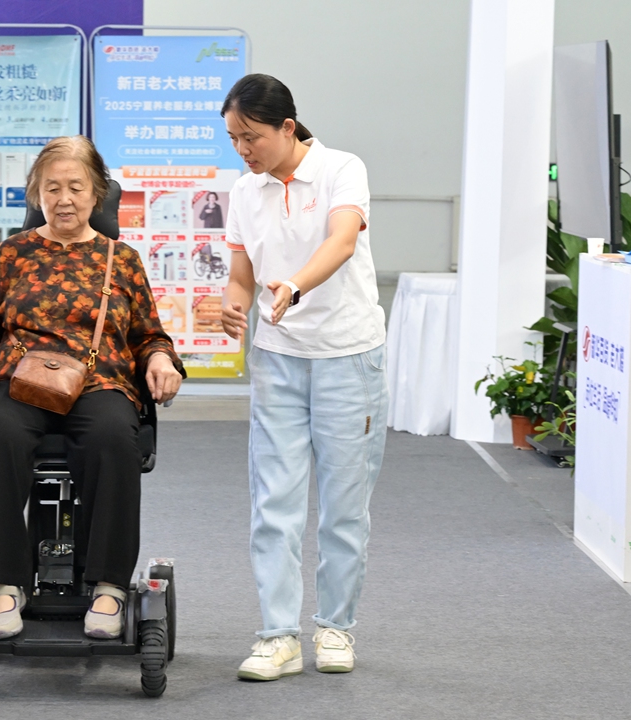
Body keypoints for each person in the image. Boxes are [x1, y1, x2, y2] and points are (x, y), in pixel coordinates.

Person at [0, 135, 185, 641]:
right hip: (22, 380)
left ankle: (108, 587)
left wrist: (161, 357)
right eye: (52, 188)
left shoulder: (122, 259)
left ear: (98, 194)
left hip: (100, 382)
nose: (64, 198)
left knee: (113, 437)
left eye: (76, 187)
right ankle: (6, 583)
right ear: (37, 194)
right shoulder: (12, 254)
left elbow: (147, 334)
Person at [219, 75, 388, 680]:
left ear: (287, 127)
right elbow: (241, 275)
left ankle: (336, 628)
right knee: (275, 503)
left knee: (344, 506)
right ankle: (278, 636)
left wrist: (294, 284)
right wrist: (233, 304)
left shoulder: (343, 169)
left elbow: (343, 241)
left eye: (252, 136)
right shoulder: (245, 190)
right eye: (235, 138)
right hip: (278, 357)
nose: (244, 149)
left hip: (348, 355)